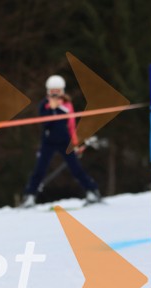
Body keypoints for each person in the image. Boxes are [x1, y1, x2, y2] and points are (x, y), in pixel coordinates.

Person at [21, 75, 101, 208]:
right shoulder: (44, 105)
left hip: (65, 141)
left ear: (62, 91)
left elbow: (69, 124)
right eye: (52, 91)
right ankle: (29, 196)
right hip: (48, 142)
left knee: (75, 168)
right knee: (40, 169)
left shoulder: (67, 105)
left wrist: (75, 143)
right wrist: (51, 108)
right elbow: (45, 123)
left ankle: (92, 191)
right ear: (48, 91)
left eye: (57, 91)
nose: (55, 94)